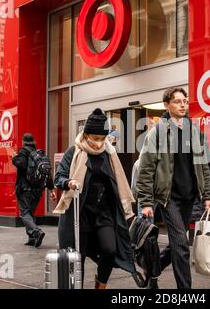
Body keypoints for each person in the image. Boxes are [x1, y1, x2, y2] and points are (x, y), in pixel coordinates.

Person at [136, 87, 210, 289]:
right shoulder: (158, 133)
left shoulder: (194, 130)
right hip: (168, 198)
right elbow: (146, 168)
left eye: (185, 101)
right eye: (177, 101)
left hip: (189, 197)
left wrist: (207, 195)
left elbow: (202, 165)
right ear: (166, 105)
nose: (182, 105)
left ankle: (152, 269)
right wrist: (145, 202)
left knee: (177, 245)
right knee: (181, 244)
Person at [54, 108, 136, 289]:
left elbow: (117, 182)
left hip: (103, 212)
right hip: (79, 212)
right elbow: (58, 177)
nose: (98, 143)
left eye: (102, 139)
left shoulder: (109, 154)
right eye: (94, 138)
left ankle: (101, 283)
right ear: (85, 135)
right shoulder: (74, 151)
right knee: (78, 258)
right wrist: (69, 182)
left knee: (110, 249)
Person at [12, 133, 56, 247]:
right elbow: (47, 174)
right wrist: (52, 189)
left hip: (26, 189)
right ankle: (32, 238)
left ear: (23, 141)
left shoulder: (23, 152)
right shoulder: (39, 154)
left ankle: (36, 231)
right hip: (38, 190)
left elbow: (20, 164)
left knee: (25, 213)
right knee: (30, 213)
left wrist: (14, 158)